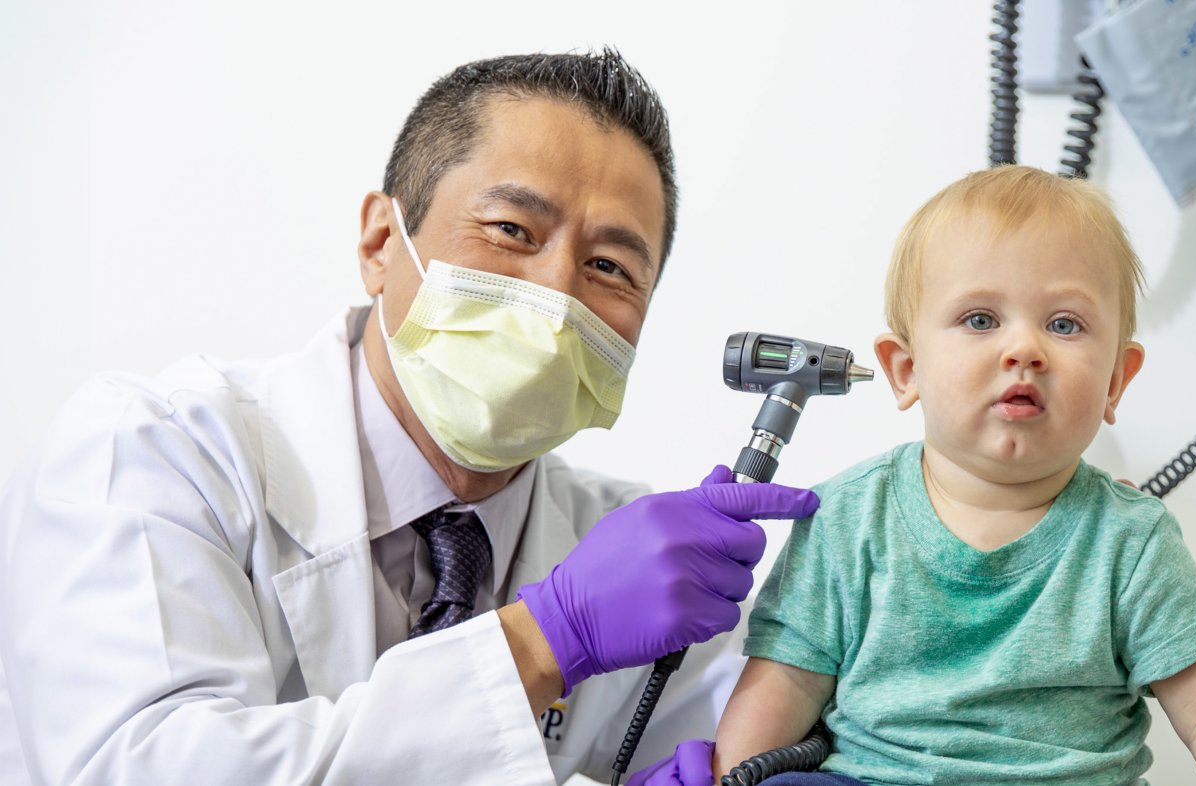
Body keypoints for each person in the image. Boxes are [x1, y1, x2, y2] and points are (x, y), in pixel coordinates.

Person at [0, 50, 820, 785]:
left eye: (609, 266)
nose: (556, 295)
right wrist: (541, 640)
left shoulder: (641, 562)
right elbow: (135, 768)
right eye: (509, 230)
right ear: (381, 240)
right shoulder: (155, 450)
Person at [714, 165, 1196, 785]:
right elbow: (786, 678)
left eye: (1064, 324)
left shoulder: (1131, 542)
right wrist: (727, 776)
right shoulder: (844, 516)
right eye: (980, 319)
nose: (1024, 349)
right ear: (905, 370)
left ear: (1115, 380)